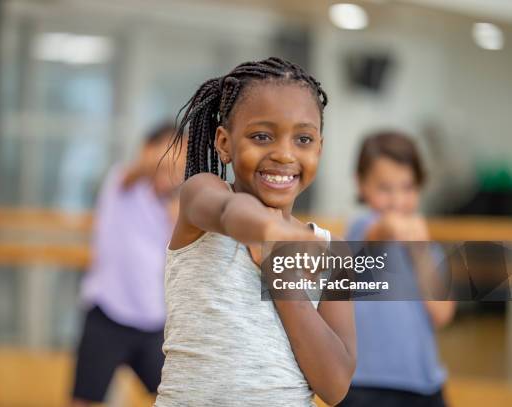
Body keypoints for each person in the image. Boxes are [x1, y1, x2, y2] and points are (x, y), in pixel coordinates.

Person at [154, 57, 356, 407]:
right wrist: (269, 230)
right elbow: (231, 211)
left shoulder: (330, 251)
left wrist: (280, 271)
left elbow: (335, 386)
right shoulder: (201, 197)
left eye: (303, 139)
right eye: (262, 136)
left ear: (319, 148)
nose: (283, 154)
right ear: (224, 143)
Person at [338, 131, 455, 407]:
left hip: (423, 382)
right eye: (385, 188)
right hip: (363, 383)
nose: (397, 200)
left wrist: (420, 250)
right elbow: (377, 231)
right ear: (361, 184)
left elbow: (442, 314)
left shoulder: (428, 247)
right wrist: (392, 227)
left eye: (407, 188)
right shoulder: (358, 230)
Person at [71, 123, 185, 406]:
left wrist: (174, 198)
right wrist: (163, 158)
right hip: (107, 312)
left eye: (183, 162)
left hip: (152, 320)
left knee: (176, 396)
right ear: (148, 150)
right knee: (85, 398)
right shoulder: (122, 184)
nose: (177, 166)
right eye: (173, 155)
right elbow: (142, 168)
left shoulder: (175, 207)